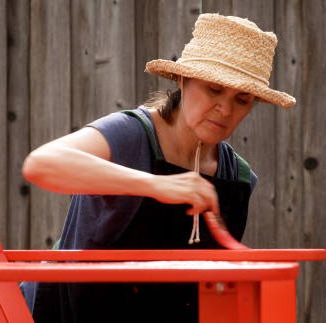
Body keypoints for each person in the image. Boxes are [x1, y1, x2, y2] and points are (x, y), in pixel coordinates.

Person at [20, 13, 295, 323]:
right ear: (183, 79)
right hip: (61, 312)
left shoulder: (237, 178)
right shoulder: (131, 134)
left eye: (242, 100)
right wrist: (156, 185)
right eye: (214, 90)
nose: (226, 109)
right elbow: (41, 164)